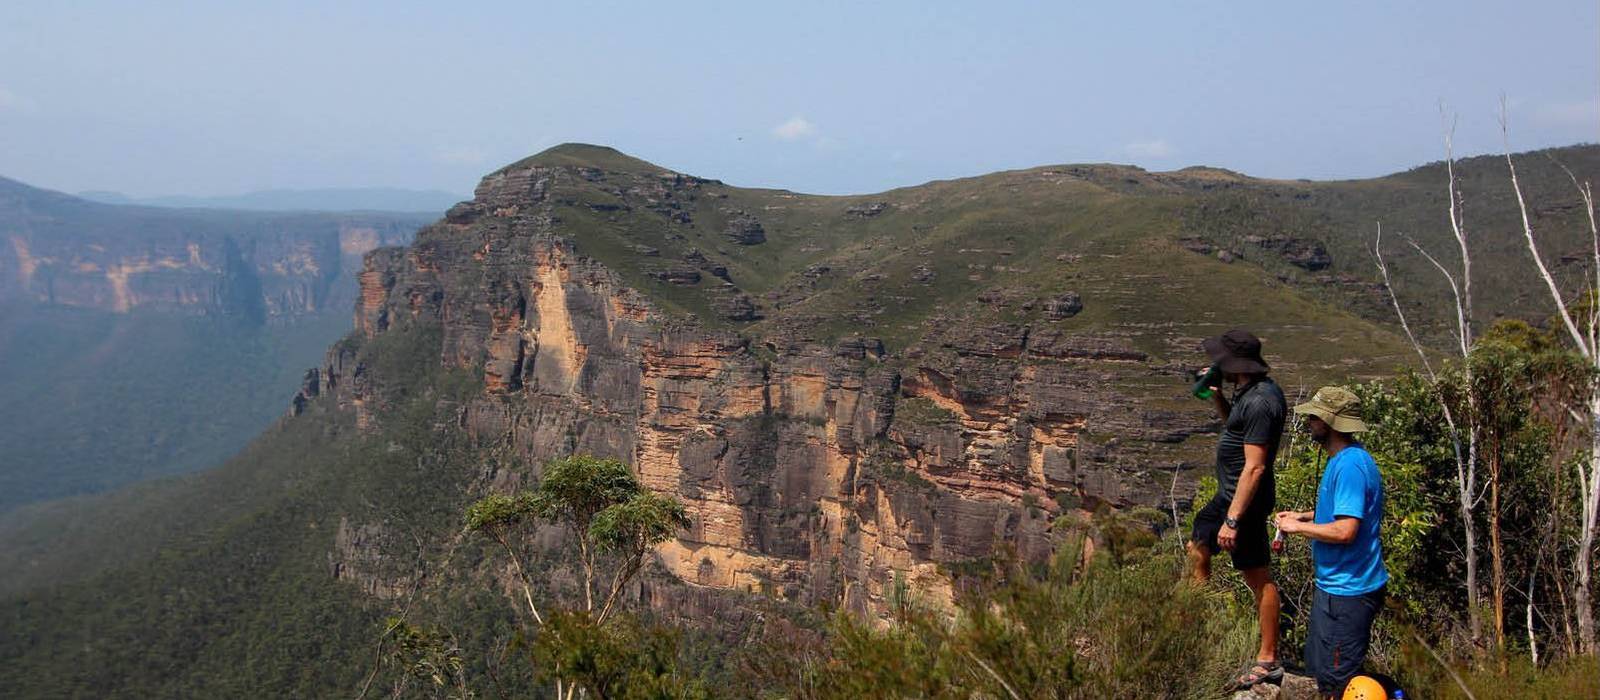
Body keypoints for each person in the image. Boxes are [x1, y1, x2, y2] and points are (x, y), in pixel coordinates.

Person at [1188, 329, 1287, 689]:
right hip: (1227, 495)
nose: (1217, 364)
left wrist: (1233, 520)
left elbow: (1255, 467)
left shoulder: (1262, 401)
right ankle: (1195, 621)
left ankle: (1268, 659)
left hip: (1244, 503)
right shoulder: (1246, 392)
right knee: (1198, 544)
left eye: (1221, 359)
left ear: (1236, 363)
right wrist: (1217, 398)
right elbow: (1236, 428)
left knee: (1256, 575)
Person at [1276, 386, 1388, 699]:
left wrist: (1297, 528)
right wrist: (1303, 516)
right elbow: (1344, 510)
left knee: (1337, 683)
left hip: (1349, 593)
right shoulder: (1342, 460)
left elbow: (1346, 530)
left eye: (1314, 416)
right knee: (1318, 670)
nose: (1309, 422)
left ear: (1330, 422)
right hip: (1334, 588)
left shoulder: (1350, 466)